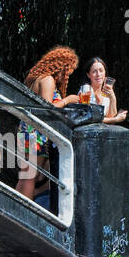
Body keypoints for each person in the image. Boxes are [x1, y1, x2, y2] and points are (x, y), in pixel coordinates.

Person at [17, 45, 80, 201]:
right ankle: (24, 213)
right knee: (30, 176)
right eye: (68, 72)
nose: (66, 77)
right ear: (61, 67)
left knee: (27, 176)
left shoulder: (38, 78)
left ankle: (16, 206)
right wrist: (67, 100)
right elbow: (47, 109)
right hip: (35, 134)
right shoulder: (48, 80)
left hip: (27, 130)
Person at [83, 58, 127, 124]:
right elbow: (88, 117)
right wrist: (116, 119)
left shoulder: (106, 95)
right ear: (89, 75)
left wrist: (112, 98)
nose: (98, 74)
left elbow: (110, 122)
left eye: (101, 71)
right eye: (94, 71)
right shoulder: (86, 89)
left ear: (105, 73)